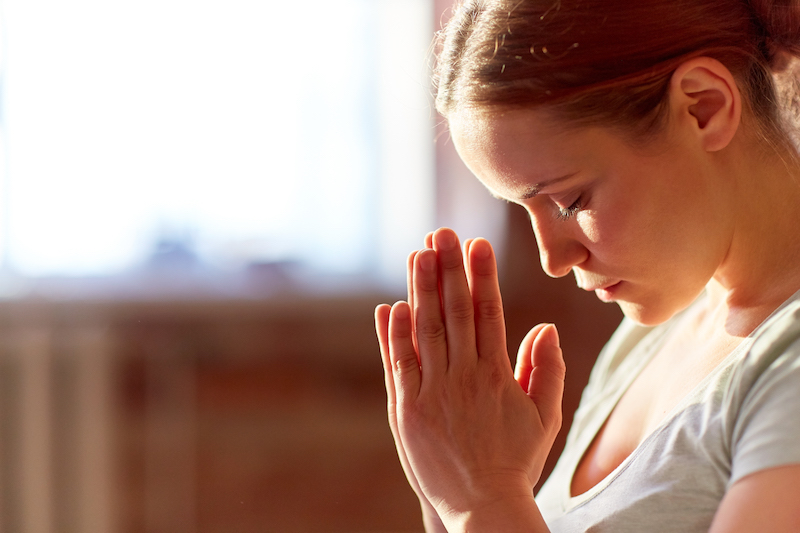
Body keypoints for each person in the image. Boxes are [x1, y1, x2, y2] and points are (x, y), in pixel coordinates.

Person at [374, 0, 800, 531]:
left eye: (569, 202)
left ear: (703, 107)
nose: (554, 260)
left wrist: (483, 499)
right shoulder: (653, 338)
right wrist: (450, 481)